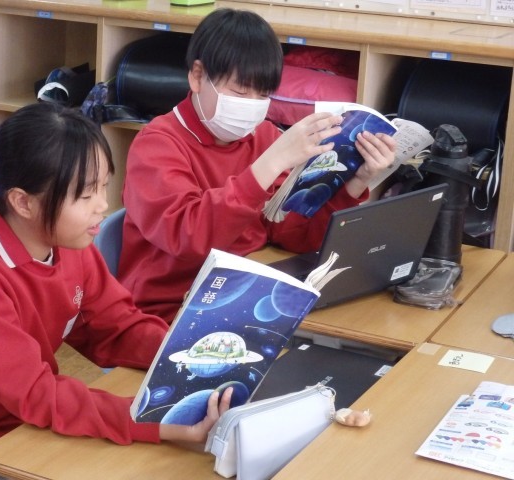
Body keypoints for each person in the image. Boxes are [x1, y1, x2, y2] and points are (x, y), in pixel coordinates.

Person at [0, 102, 232, 480]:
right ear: (23, 202)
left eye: (103, 186)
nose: (102, 205)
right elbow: (35, 394)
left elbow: (117, 326)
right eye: (85, 195)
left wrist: (188, 356)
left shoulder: (65, 239)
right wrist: (154, 420)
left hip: (23, 434)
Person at [118, 8, 397, 324]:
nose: (251, 104)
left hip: (244, 291)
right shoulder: (157, 144)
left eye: (263, 94)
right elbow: (189, 238)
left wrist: (355, 183)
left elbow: (292, 233)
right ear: (197, 76)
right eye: (240, 91)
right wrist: (271, 162)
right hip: (169, 310)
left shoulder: (262, 135)